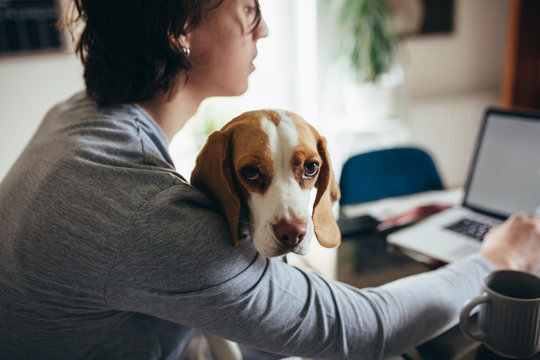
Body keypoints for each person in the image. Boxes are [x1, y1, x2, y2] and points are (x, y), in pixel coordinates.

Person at [0, 0, 539, 359]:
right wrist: (497, 260)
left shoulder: (77, 115)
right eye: (248, 9)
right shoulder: (147, 215)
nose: (264, 27)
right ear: (179, 30)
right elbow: (363, 329)